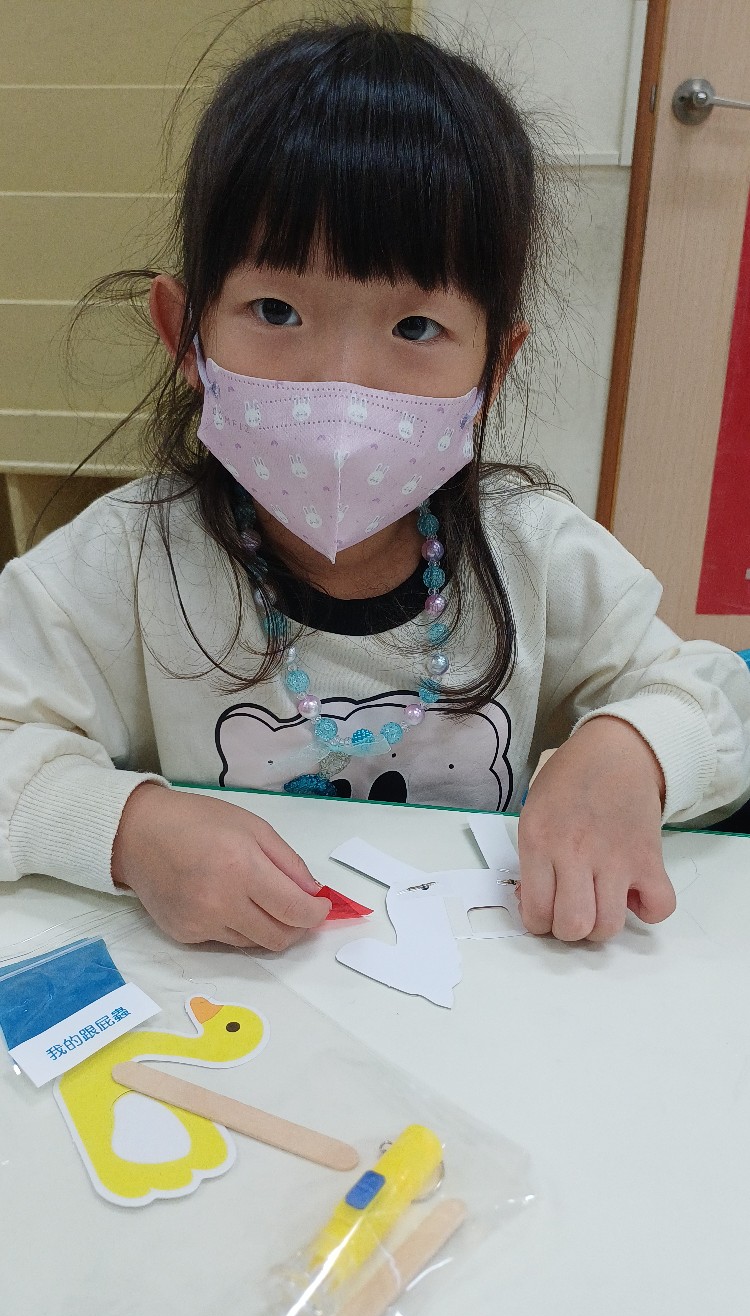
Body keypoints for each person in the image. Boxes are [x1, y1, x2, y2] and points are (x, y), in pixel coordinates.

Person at [1, 18, 749, 953]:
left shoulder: (538, 553)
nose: (341, 384)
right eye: (277, 309)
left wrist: (634, 752)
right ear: (185, 335)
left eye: (415, 328)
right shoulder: (126, 561)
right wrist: (127, 830)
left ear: (494, 367)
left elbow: (716, 699)